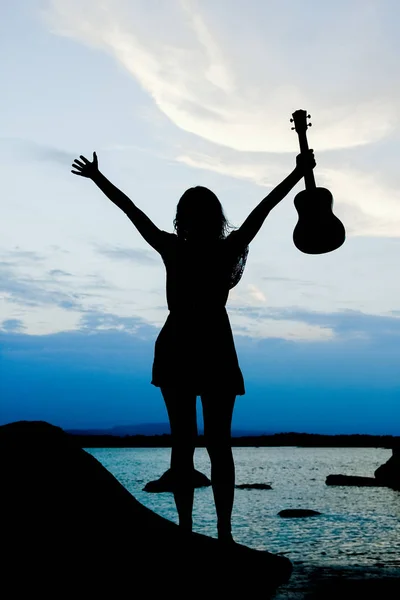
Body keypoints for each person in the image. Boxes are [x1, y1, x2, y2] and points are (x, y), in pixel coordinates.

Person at [71, 148, 316, 542]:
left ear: (182, 219)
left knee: (183, 443)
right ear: (216, 218)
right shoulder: (226, 248)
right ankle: (223, 534)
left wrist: (99, 178)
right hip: (213, 345)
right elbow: (265, 207)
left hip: (179, 345)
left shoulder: (175, 248)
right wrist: (296, 172)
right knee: (219, 445)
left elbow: (131, 211)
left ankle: (187, 532)